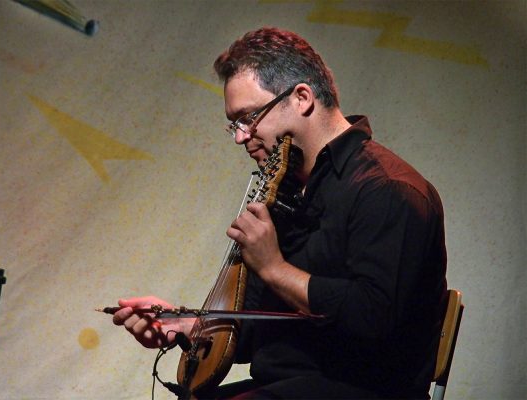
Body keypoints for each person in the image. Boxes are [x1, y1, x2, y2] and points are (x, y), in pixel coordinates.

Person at [112, 27, 447, 399]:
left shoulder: (387, 189)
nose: (241, 136)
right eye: (234, 125)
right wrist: (189, 326)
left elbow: (374, 318)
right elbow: (261, 329)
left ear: (301, 97)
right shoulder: (286, 192)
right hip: (281, 387)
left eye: (248, 117)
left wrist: (274, 268)